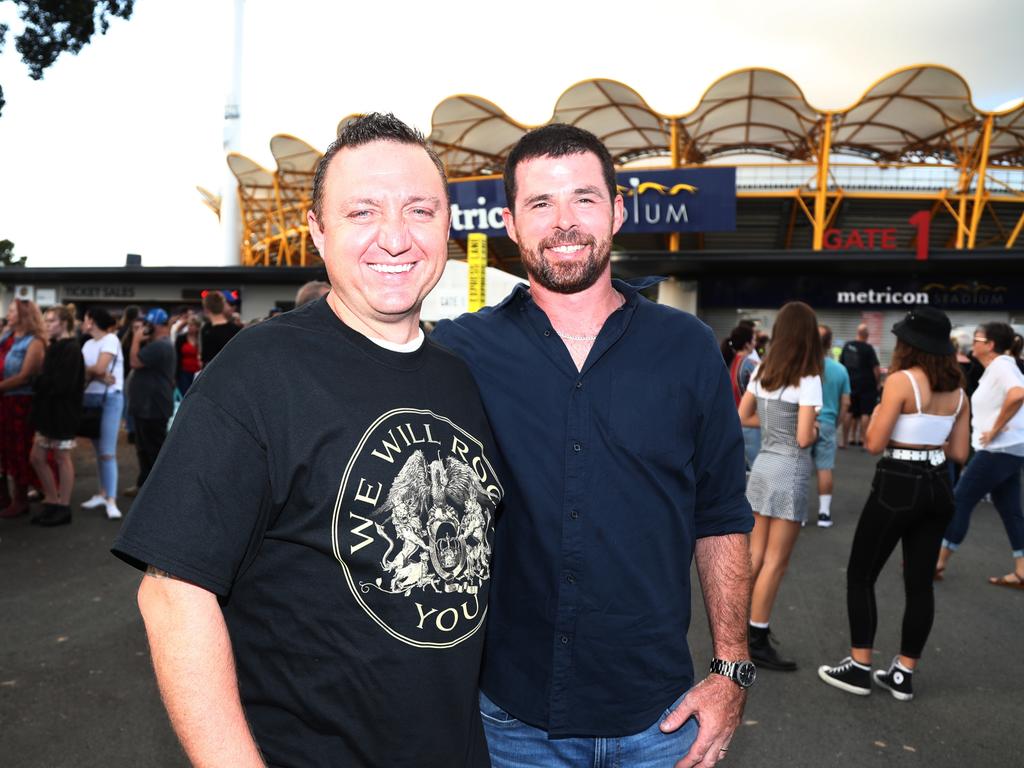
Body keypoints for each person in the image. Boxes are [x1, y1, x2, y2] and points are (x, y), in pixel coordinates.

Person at [111, 113, 502, 768]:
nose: (395, 236)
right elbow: (173, 593)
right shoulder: (258, 371)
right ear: (318, 232)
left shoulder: (458, 377)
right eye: (362, 212)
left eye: (420, 210)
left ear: (448, 228)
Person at [432, 124, 754, 768]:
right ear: (510, 223)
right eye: (540, 204)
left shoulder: (686, 346)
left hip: (662, 722)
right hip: (511, 719)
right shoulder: (460, 352)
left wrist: (732, 670)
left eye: (583, 198)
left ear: (617, 210)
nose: (564, 222)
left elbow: (720, 515)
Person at [819, 307, 968, 701]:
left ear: (908, 344)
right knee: (919, 583)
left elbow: (871, 443)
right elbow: (960, 451)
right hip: (938, 484)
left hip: (898, 483)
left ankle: (859, 667)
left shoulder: (902, 380)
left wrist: (885, 412)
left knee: (861, 574)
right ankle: (903, 673)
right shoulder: (959, 389)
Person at [738, 301, 823, 671]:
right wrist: (815, 429)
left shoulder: (763, 372)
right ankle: (757, 636)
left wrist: (775, 429)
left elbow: (742, 416)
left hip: (762, 467)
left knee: (755, 557)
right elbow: (804, 438)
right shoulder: (809, 377)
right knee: (777, 561)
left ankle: (738, 634)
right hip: (789, 469)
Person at [935, 322, 1024, 588]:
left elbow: (1018, 395)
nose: (972, 343)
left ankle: (938, 561)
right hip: (1009, 448)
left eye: (977, 339)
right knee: (1010, 509)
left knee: (960, 499)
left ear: (990, 345)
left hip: (998, 449)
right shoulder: (998, 368)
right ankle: (1022, 570)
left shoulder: (1001, 365)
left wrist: (995, 429)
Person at [29, 304, 85, 526]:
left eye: (51, 321)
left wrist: (36, 382)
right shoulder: (57, 347)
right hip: (49, 413)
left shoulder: (70, 349)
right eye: (46, 320)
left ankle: (63, 506)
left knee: (61, 458)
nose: (46, 325)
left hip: (62, 414)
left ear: (64, 323)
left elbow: (61, 385)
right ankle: (52, 500)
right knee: (37, 457)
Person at [0, 299, 46, 518]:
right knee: (5, 450)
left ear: (24, 314)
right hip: (5, 400)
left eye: (12, 310)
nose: (8, 313)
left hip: (20, 402)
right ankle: (6, 495)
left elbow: (25, 376)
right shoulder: (7, 337)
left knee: (19, 449)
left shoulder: (34, 342)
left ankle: (21, 498)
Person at [79, 307, 125, 520]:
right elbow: (91, 370)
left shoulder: (110, 340)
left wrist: (95, 372)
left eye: (85, 319)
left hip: (109, 399)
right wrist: (97, 373)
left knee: (107, 452)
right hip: (91, 399)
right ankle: (103, 493)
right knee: (99, 452)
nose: (82, 322)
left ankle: (111, 500)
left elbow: (98, 368)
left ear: (92, 321)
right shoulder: (88, 343)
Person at [126, 308, 175, 491]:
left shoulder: (159, 346)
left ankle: (157, 489)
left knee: (152, 449)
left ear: (155, 325)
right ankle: (145, 486)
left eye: (147, 325)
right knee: (144, 449)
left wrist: (136, 340)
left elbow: (134, 362)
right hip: (147, 405)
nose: (145, 328)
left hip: (152, 406)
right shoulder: (159, 344)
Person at [814, 324, 851, 527]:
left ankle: (798, 515)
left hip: (804, 422)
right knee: (825, 467)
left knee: (800, 470)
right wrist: (835, 422)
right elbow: (845, 402)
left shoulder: (803, 367)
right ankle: (824, 513)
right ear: (830, 343)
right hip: (828, 422)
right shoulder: (840, 370)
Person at [722, 324, 760, 469]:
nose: (755, 343)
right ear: (747, 344)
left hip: (733, 424)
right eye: (754, 340)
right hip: (751, 426)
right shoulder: (751, 365)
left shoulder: (729, 361)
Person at [840, 324, 880, 447]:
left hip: (850, 383)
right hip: (866, 384)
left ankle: (844, 441)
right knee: (865, 413)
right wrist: (877, 383)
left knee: (849, 411)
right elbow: (876, 368)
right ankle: (864, 441)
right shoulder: (868, 348)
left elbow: (841, 365)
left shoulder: (847, 346)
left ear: (857, 333)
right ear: (867, 335)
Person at [198, 290, 240, 367]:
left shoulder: (206, 330)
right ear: (223, 306)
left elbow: (204, 358)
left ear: (206, 309)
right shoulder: (236, 329)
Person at [173, 314, 202, 395]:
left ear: (197, 327)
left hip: (198, 372)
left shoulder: (201, 338)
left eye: (192, 325)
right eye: (189, 325)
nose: (189, 327)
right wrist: (175, 375)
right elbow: (176, 356)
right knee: (184, 394)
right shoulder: (181, 338)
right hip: (184, 372)